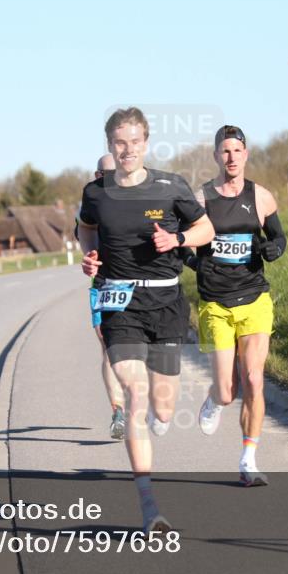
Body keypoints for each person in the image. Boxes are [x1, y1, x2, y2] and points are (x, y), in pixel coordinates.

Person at [79, 107, 214, 532]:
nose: (127, 150)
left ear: (146, 143)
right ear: (109, 146)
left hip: (167, 302)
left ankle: (160, 418)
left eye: (135, 142)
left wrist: (177, 238)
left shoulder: (171, 187)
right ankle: (149, 506)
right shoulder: (96, 193)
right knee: (135, 396)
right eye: (120, 142)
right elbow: (84, 227)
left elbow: (206, 229)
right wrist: (90, 257)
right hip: (121, 303)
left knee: (164, 404)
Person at [193, 125, 287, 487]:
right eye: (225, 151)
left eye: (237, 150)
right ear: (216, 156)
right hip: (216, 303)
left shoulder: (261, 197)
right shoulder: (200, 199)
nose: (231, 157)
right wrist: (198, 263)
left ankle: (248, 459)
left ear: (246, 154)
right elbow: (184, 245)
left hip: (255, 299)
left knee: (253, 379)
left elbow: (279, 238)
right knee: (228, 389)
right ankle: (215, 399)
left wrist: (275, 249)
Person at [83, 154, 127, 439]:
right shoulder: (90, 204)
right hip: (104, 285)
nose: (109, 180)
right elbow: (84, 237)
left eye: (115, 174)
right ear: (96, 175)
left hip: (136, 284)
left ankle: (138, 394)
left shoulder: (135, 200)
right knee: (108, 348)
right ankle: (118, 411)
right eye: (103, 174)